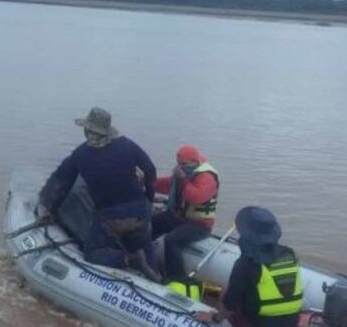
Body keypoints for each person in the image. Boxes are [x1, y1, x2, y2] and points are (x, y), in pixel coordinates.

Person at [38, 107, 160, 281]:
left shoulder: (79, 156)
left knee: (93, 253)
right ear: (107, 131)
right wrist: (148, 198)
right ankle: (155, 274)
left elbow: (61, 184)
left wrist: (50, 210)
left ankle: (130, 260)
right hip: (140, 211)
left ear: (87, 130)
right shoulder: (127, 144)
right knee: (143, 239)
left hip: (110, 217)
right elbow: (151, 171)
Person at [194, 207, 303, 327]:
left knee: (220, 294)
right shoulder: (289, 254)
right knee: (233, 290)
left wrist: (214, 318)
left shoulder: (246, 264)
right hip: (291, 324)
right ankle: (210, 291)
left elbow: (230, 305)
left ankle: (204, 290)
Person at [152, 145, 219, 284]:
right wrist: (147, 182)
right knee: (150, 225)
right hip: (178, 217)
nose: (181, 167)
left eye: (184, 164)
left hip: (199, 224)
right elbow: (167, 184)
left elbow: (194, 197)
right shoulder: (185, 173)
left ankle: (176, 277)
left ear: (195, 162)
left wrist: (182, 179)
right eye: (179, 164)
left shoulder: (207, 177)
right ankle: (138, 257)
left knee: (171, 240)